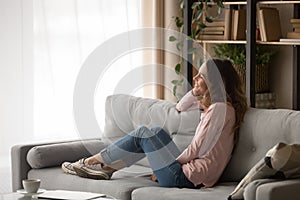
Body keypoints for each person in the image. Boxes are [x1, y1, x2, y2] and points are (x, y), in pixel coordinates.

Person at [61, 58, 248, 188]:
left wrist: (167, 166)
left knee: (144, 133)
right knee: (156, 132)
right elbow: (181, 107)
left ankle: (90, 162)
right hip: (190, 175)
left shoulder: (218, 110)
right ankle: (106, 168)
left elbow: (196, 149)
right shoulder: (221, 108)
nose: (195, 79)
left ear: (215, 82)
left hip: (186, 178)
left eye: (201, 76)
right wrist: (197, 90)